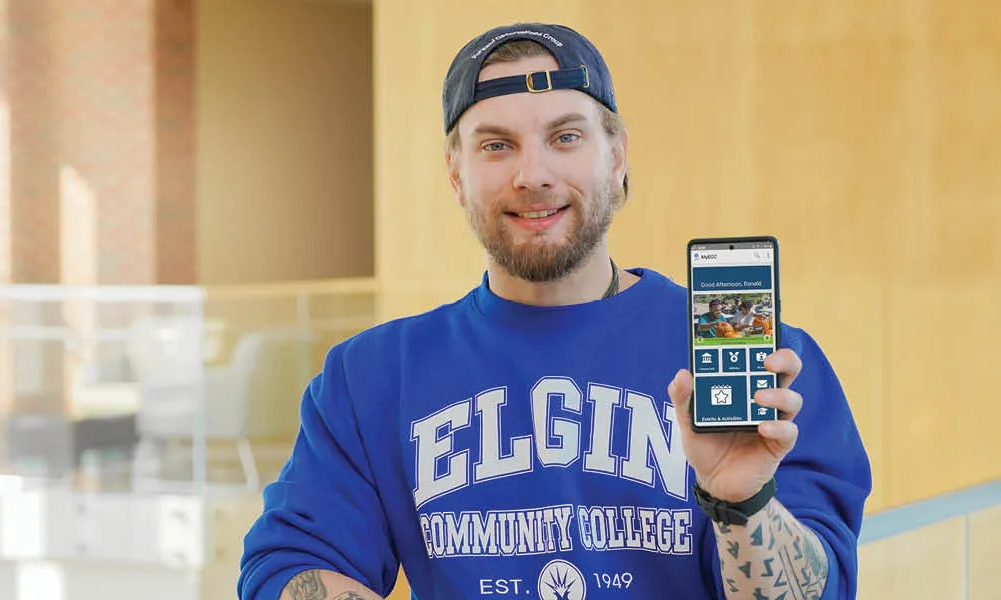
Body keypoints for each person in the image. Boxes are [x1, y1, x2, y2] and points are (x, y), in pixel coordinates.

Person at [237, 22, 870, 600]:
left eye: (565, 137)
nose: (532, 174)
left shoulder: (770, 368)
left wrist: (744, 501)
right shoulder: (369, 377)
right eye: (495, 146)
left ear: (617, 157)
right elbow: (287, 566)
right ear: (455, 173)